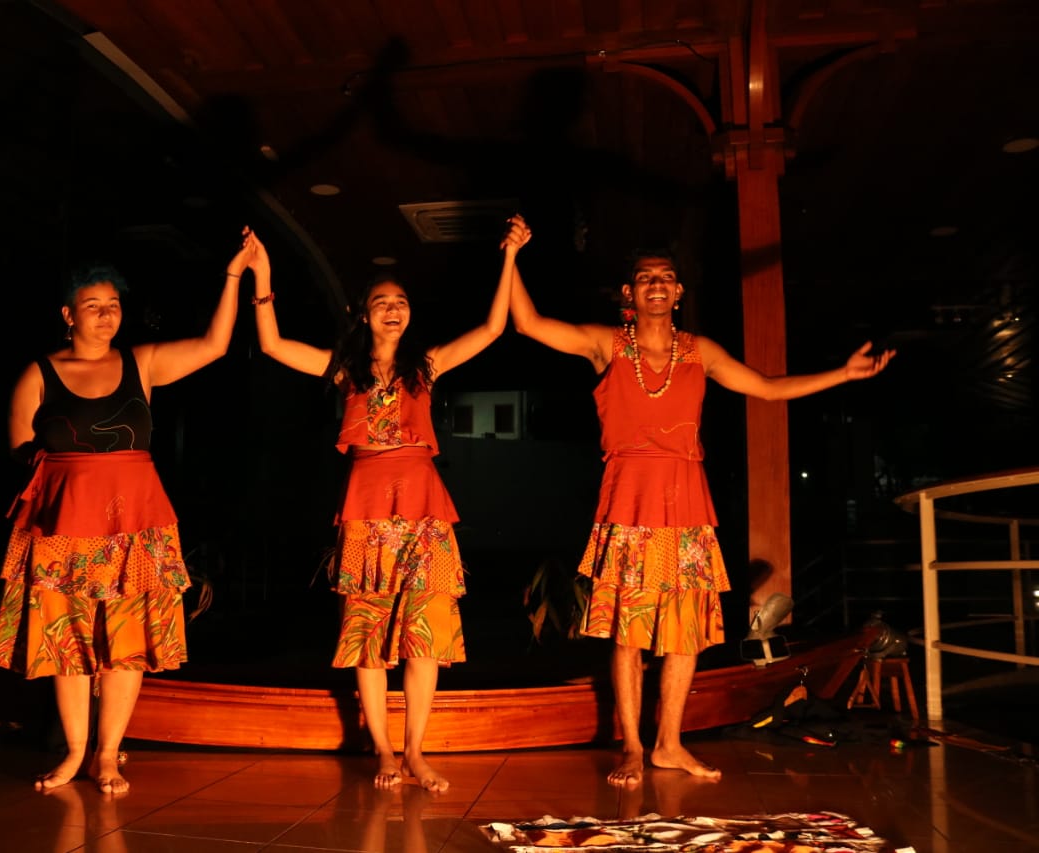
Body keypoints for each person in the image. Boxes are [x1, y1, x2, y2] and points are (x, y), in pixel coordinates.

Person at [506, 221, 894, 787]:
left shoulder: (699, 353)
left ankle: (669, 744)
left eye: (666, 278)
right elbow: (529, 323)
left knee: (684, 632)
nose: (656, 286)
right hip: (629, 502)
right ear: (629, 295)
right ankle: (635, 748)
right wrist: (513, 257)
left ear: (678, 292)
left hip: (687, 503)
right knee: (630, 635)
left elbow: (765, 387)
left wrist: (842, 373)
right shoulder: (608, 344)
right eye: (644, 279)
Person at [248, 218, 527, 792]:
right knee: (369, 635)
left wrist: (510, 258)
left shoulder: (425, 366)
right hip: (368, 507)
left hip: (425, 507)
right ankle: (383, 751)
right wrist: (263, 275)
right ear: (363, 312)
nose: (393, 309)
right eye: (381, 302)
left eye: (400, 301)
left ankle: (416, 751)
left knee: (424, 634)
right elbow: (273, 345)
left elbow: (494, 328)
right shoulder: (344, 369)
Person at [0, 227, 262, 793]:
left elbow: (213, 344)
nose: (106, 315)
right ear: (68, 313)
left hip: (136, 524)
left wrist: (235, 274)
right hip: (66, 523)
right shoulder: (38, 373)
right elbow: (18, 450)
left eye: (114, 306)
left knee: (126, 645)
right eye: (93, 306)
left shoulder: (144, 363)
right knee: (67, 644)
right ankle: (74, 753)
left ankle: (108, 754)